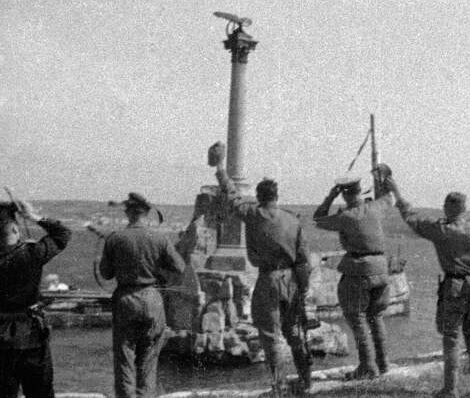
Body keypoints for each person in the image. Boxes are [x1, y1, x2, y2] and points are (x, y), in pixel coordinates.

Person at [385, 176, 470, 398]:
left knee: (452, 338)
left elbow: (410, 216)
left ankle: (450, 389)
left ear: (447, 207)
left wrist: (396, 191)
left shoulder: (441, 230)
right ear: (464, 209)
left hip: (456, 286)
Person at [209, 142, 313, 397]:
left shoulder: (254, 214)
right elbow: (304, 259)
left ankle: (279, 386)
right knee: (295, 332)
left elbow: (232, 196)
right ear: (276, 196)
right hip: (292, 279)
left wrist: (220, 167)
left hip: (269, 279)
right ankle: (306, 381)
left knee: (270, 334)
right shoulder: (292, 219)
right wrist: (303, 288)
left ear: (259, 196)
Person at [100, 192, 185, 398]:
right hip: (152, 299)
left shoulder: (115, 238)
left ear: (128, 212)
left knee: (124, 357)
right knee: (149, 358)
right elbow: (180, 267)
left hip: (126, 299)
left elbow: (106, 273)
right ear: (147, 213)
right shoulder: (160, 238)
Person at [313, 169, 393, 380]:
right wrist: (383, 178)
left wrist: (330, 197)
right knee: (376, 317)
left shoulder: (346, 217)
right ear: (360, 190)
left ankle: (368, 367)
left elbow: (318, 218)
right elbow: (389, 197)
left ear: (344, 194)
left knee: (357, 319)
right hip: (381, 269)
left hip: (359, 270)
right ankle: (383, 364)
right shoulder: (375, 207)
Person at [0, 198, 72, 398]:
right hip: (31, 336)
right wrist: (33, 216)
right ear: (15, 229)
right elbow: (63, 233)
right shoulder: (33, 253)